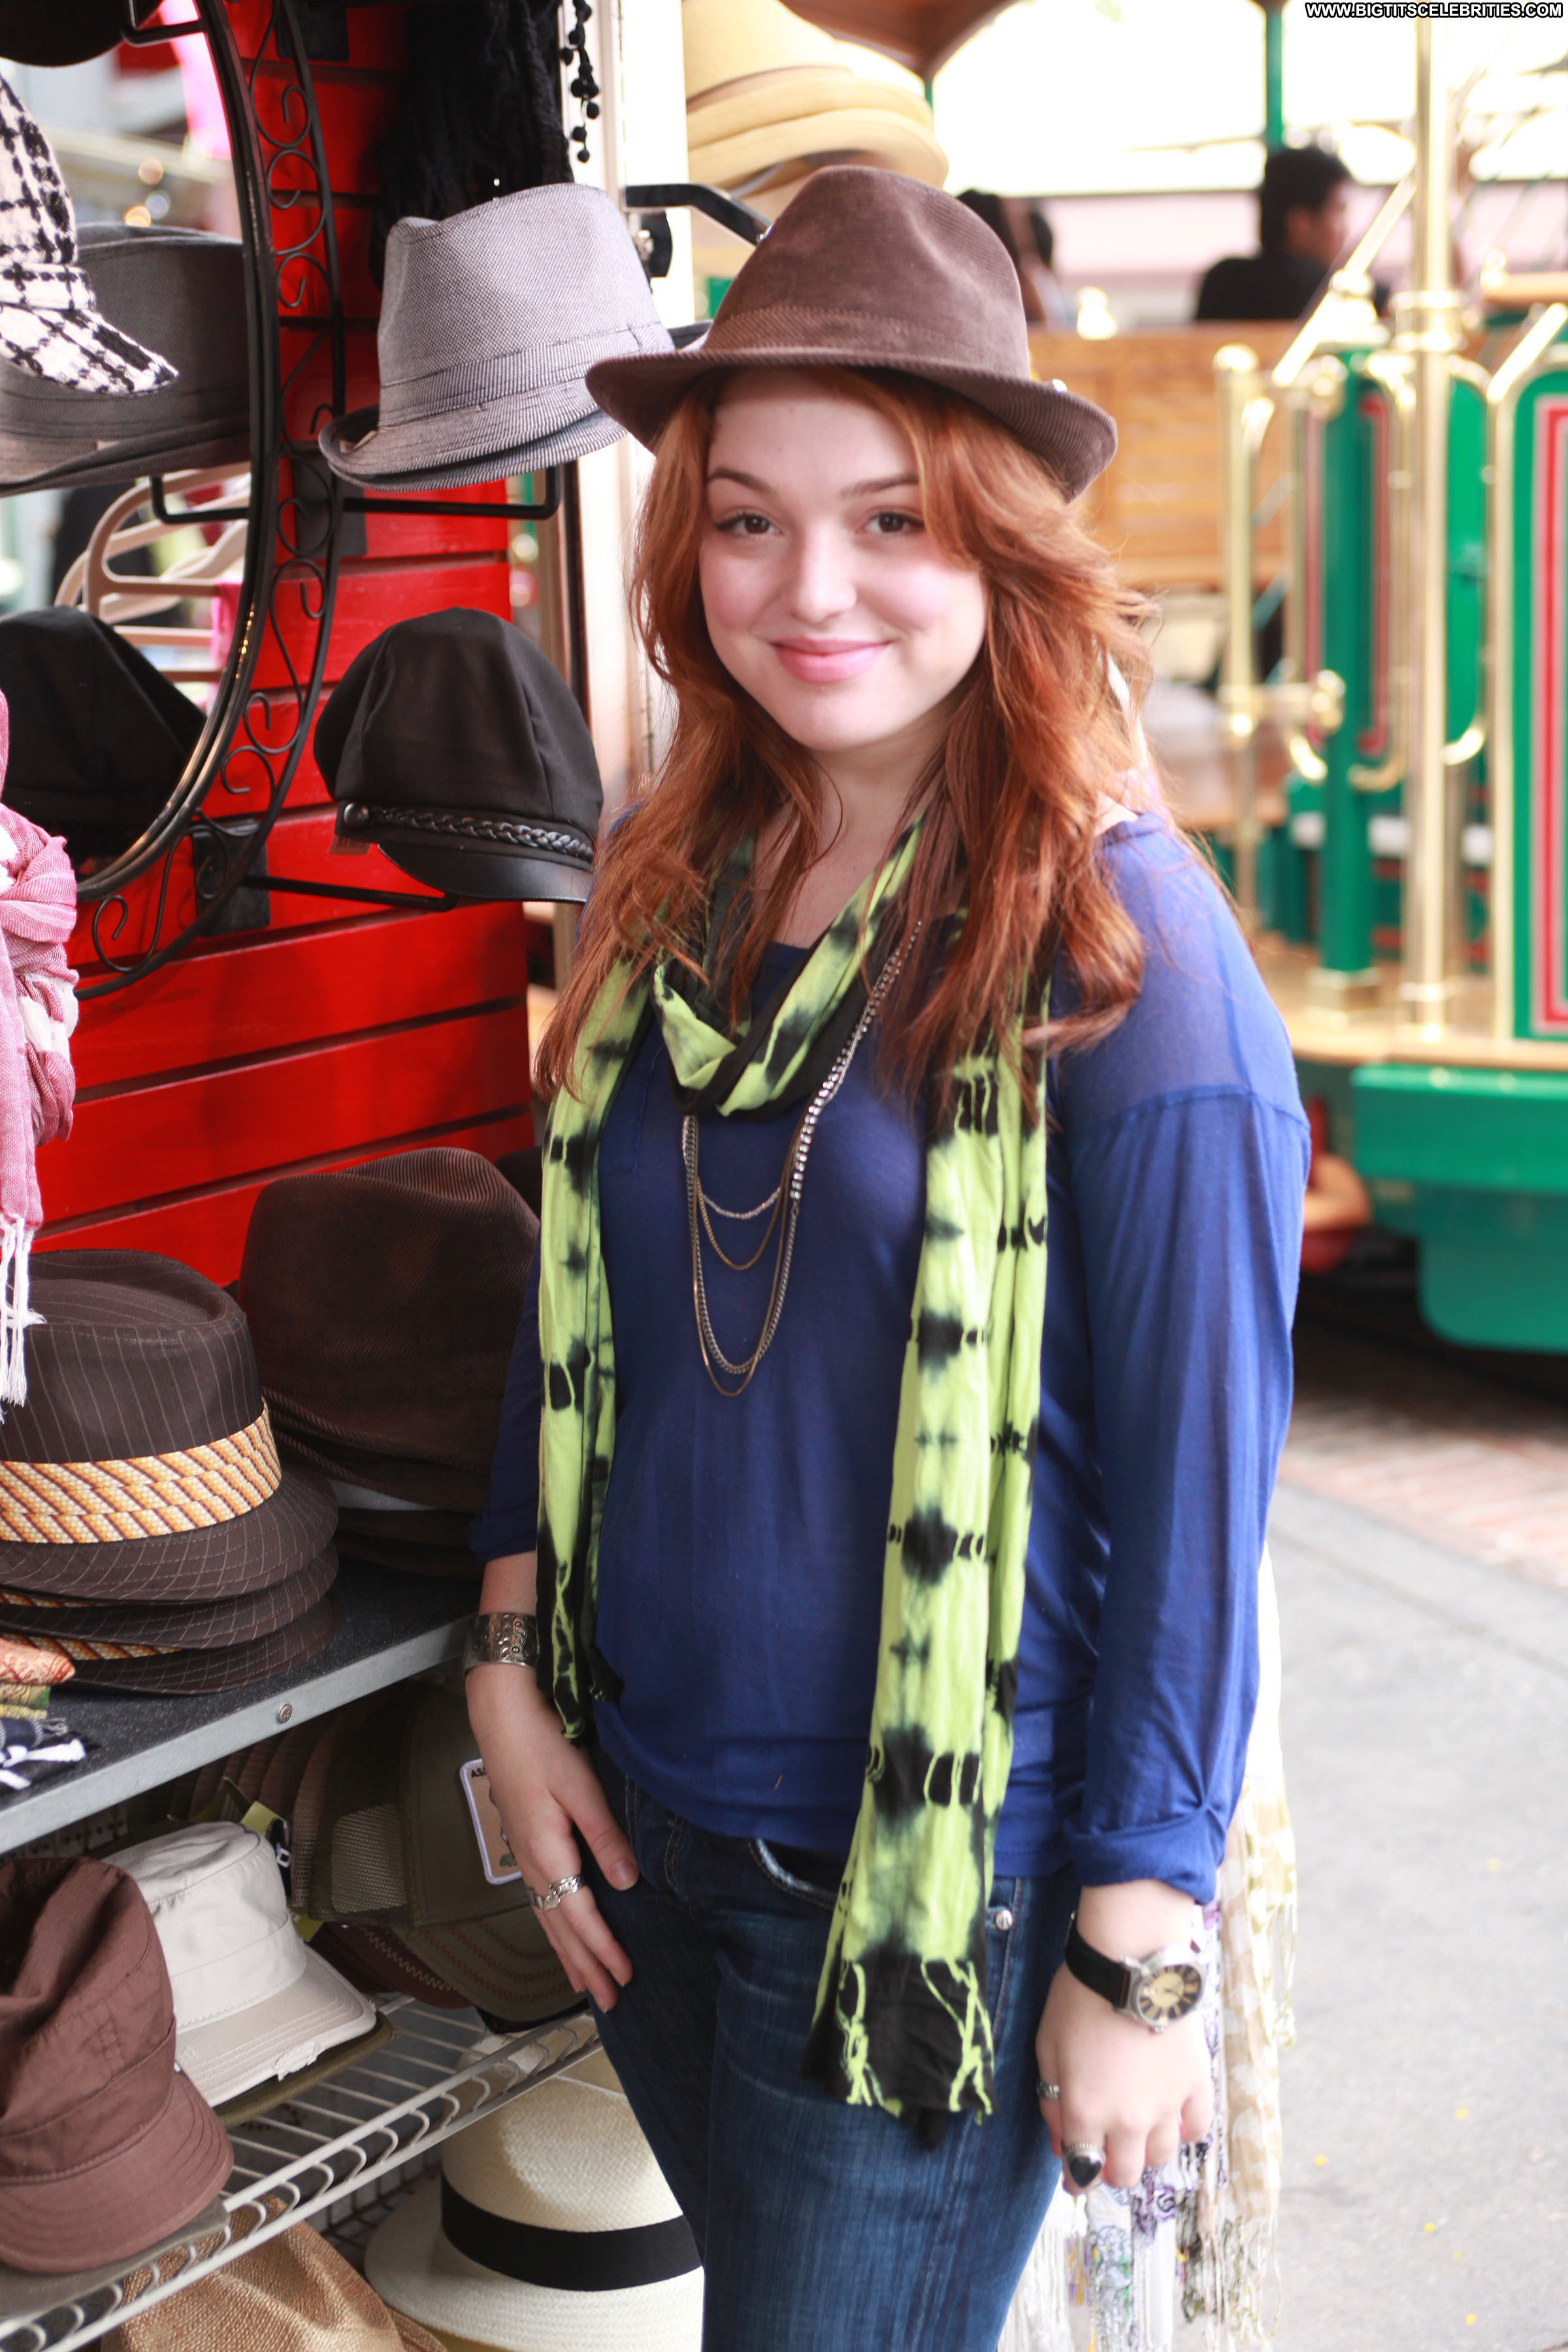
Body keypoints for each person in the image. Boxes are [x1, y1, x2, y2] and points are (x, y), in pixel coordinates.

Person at [466, 167, 1307, 2351]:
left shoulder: (1126, 966)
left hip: (929, 1905)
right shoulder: (687, 870)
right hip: (653, 1842)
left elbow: (1199, 1512)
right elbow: (578, 1304)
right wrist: (506, 1670)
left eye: (891, 520)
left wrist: (1139, 1947)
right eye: (748, 519)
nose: (808, 588)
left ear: (1004, 546)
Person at [1196, 142, 1377, 323]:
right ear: (1301, 225)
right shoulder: (1320, 288)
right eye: (1340, 212)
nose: (1346, 228)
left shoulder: (1222, 280)